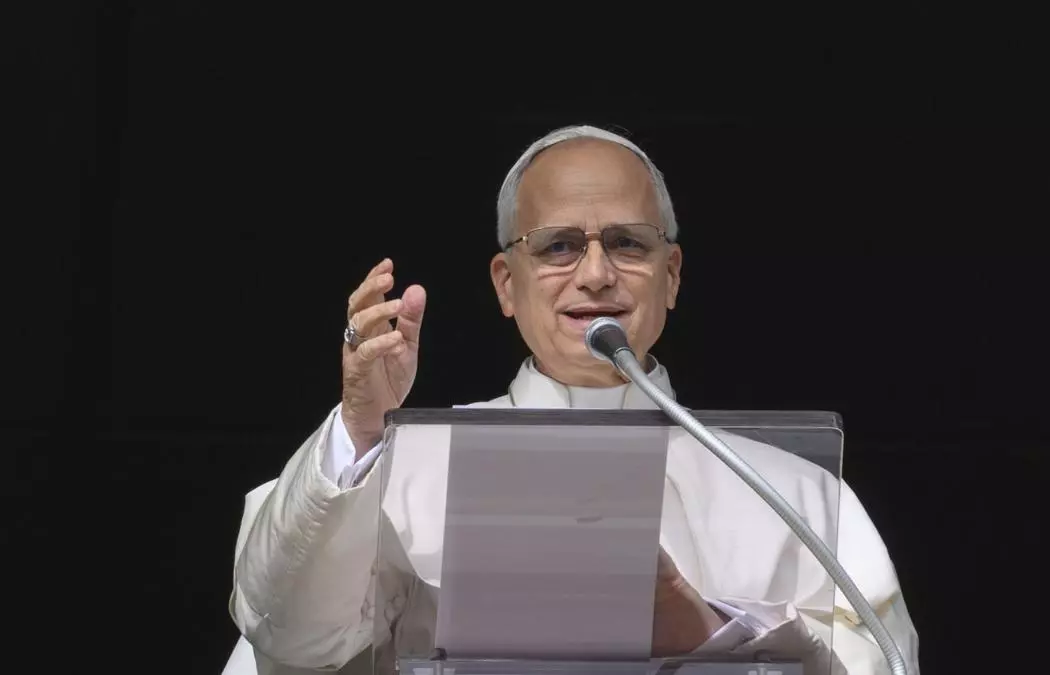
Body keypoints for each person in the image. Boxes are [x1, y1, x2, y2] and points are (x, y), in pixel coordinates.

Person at [221, 125, 920, 675]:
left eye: (627, 243)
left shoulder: (793, 494)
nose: (595, 273)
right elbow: (293, 635)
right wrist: (362, 425)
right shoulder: (400, 463)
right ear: (506, 283)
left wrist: (710, 632)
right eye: (558, 246)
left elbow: (882, 662)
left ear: (671, 275)